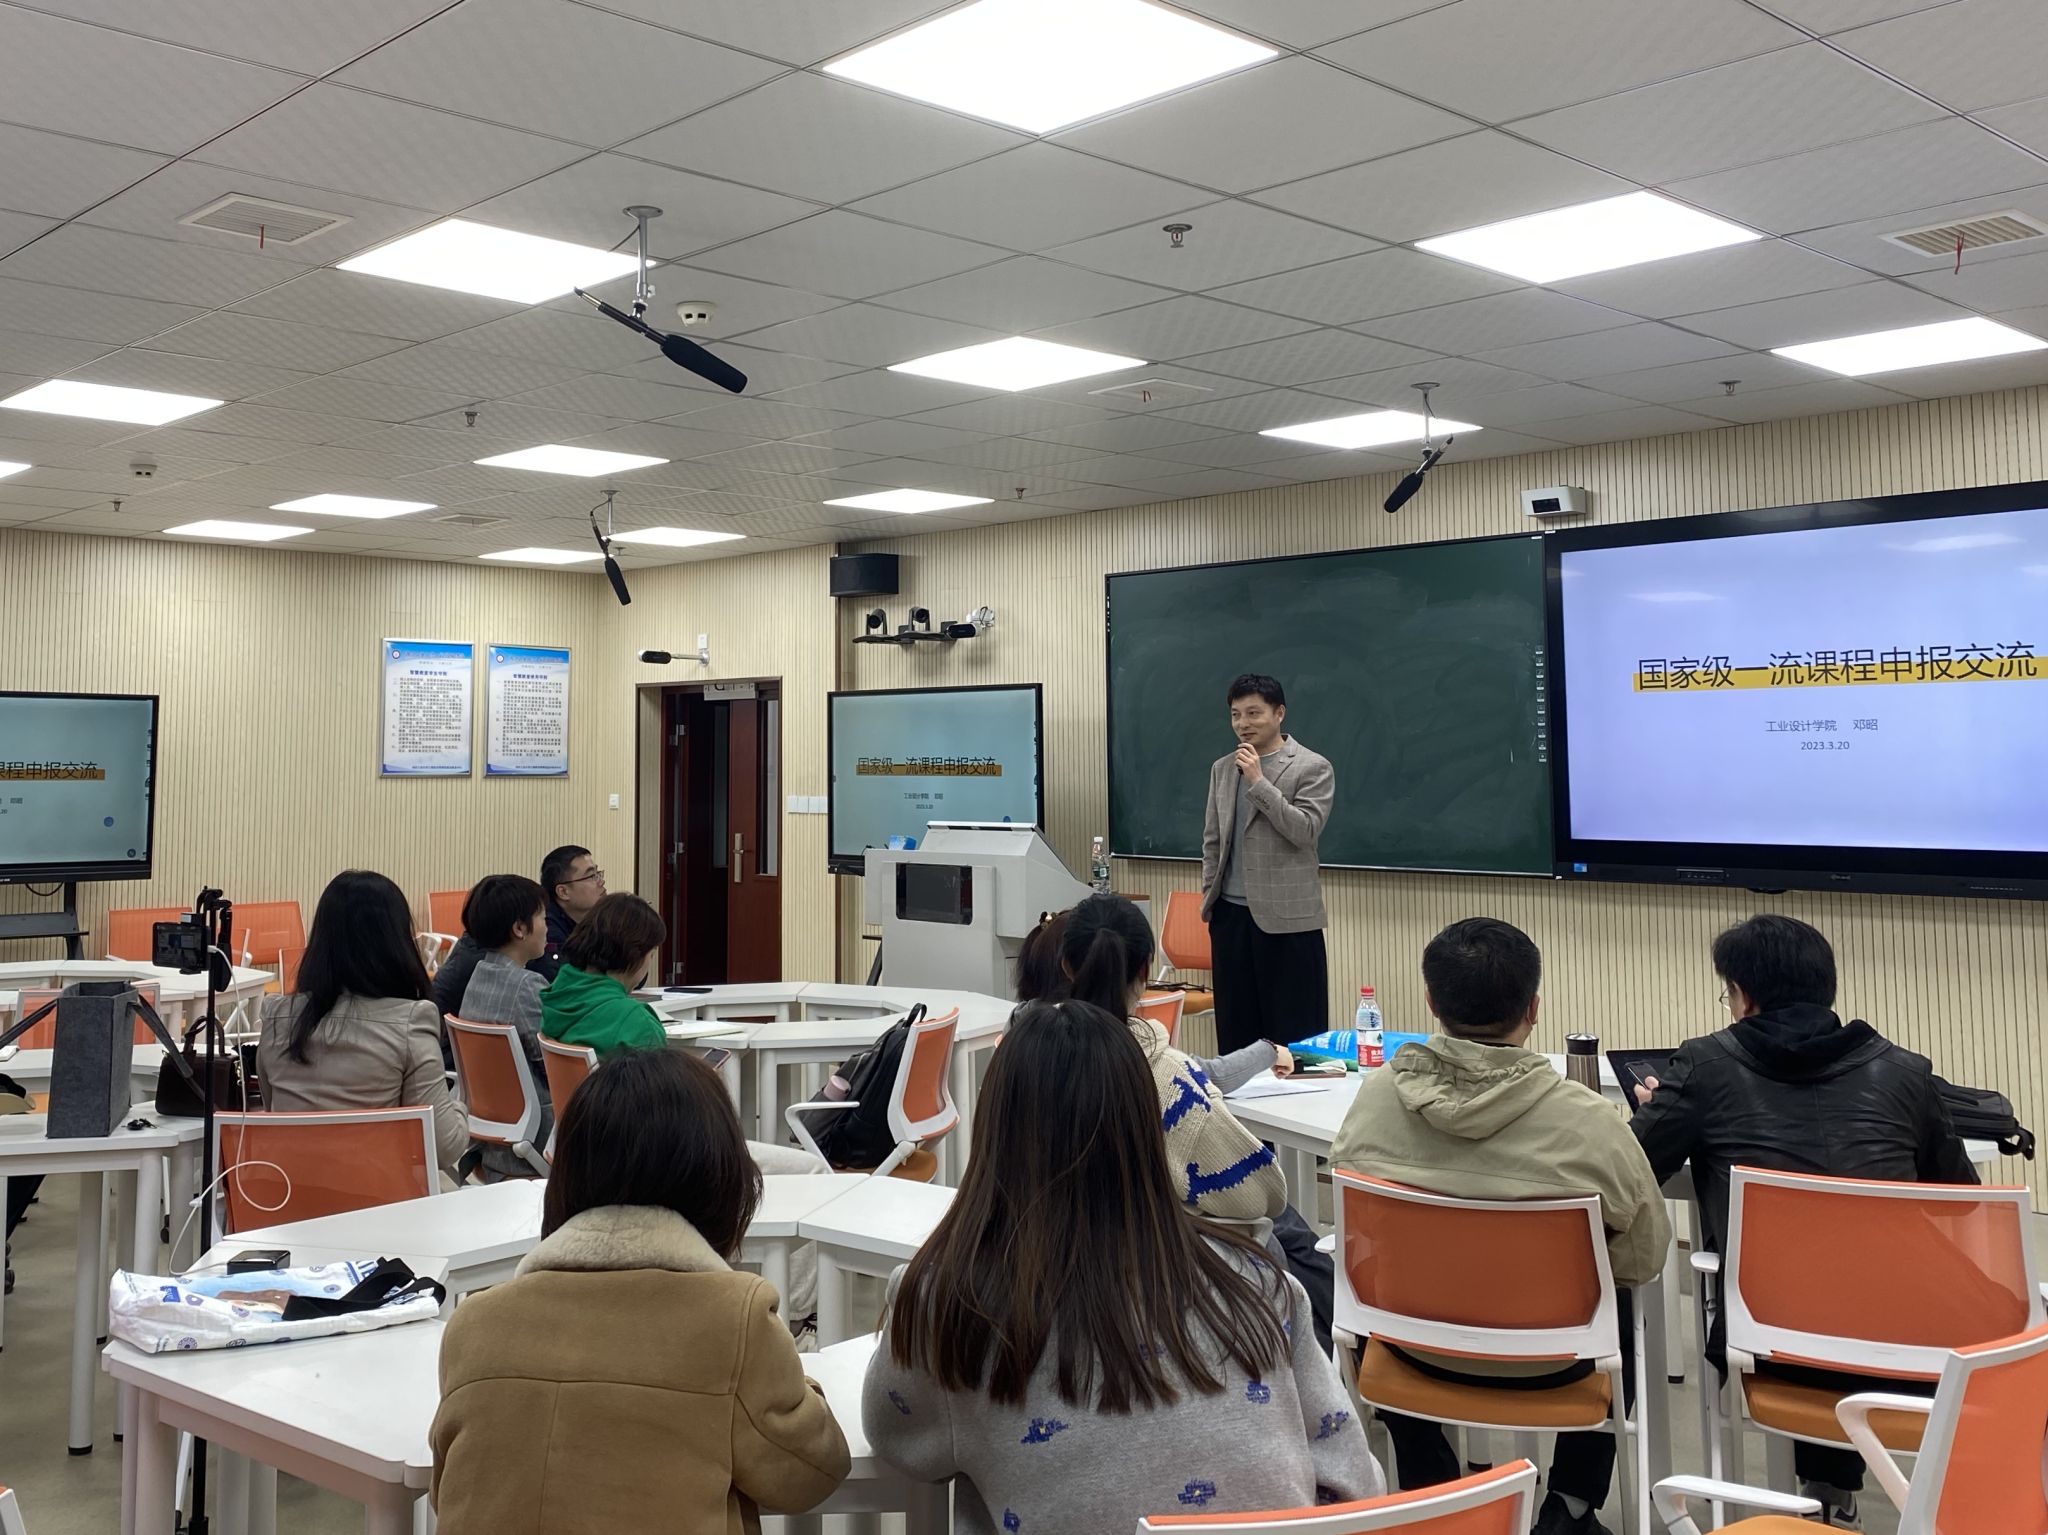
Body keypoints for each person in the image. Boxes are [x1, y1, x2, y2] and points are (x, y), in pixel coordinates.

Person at [863, 998, 1382, 1530]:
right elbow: (1354, 1481)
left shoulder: (947, 1306)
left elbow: (903, 1443)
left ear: (996, 1135)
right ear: (1148, 1132)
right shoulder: (1259, 1283)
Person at [1631, 914, 1976, 1529]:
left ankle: (1821, 1495)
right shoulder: (1905, 1071)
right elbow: (1961, 1199)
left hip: (1770, 1343)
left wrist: (1657, 1110)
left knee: (1804, 1287)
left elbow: (1634, 1171)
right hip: (1910, 1343)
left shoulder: (1705, 1066)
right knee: (1848, 1275)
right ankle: (1831, 1492)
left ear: (1743, 996)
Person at [1330, 917, 1668, 1535]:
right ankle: (1570, 1507)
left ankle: (1430, 1484)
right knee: (1617, 1298)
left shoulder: (1375, 1099)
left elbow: (1357, 1237)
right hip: (1557, 1363)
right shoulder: (1590, 1120)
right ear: (1533, 1009)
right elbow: (1645, 1257)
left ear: (1431, 1002)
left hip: (1411, 1353)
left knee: (1370, 1294)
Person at [431, 1047, 849, 1534]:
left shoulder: (474, 1324)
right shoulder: (734, 1322)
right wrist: (797, 1382)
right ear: (720, 1179)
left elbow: (449, 1493)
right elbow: (811, 1472)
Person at [1052, 894, 1339, 1354]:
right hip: (1158, 1249)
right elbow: (1257, 1193)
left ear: (1066, 964)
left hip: (1060, 1244)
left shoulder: (1024, 1053)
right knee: (1288, 1228)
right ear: (1146, 971)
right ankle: (1342, 1363)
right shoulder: (1165, 1073)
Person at [541, 892, 825, 1182]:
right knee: (811, 1167)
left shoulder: (557, 996)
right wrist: (699, 1082)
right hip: (642, 1156)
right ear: (635, 955)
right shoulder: (632, 1020)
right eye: (652, 954)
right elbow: (668, 1111)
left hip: (584, 1150)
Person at [257, 870, 471, 1179]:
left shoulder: (277, 1015)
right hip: (378, 1199)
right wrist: (461, 1106)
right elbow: (443, 1148)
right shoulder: (411, 1021)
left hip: (285, 1195)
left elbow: (273, 1109)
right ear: (397, 941)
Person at [1201, 674, 1335, 1052]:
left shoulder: (1312, 766)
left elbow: (1305, 830)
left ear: (1279, 714)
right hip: (1230, 918)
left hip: (1289, 923)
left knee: (1296, 1036)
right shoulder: (1222, 768)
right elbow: (1213, 839)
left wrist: (1259, 782)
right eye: (1236, 714)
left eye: (1254, 713)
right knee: (1236, 1035)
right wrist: (1210, 898)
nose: (1243, 723)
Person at [454, 874, 553, 1177]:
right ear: (520, 929)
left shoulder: (479, 974)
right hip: (538, 1140)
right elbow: (550, 1064)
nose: (547, 926)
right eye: (543, 917)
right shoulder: (527, 985)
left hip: (494, 1137)